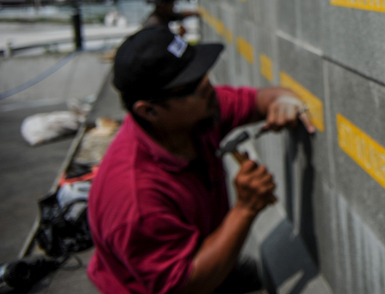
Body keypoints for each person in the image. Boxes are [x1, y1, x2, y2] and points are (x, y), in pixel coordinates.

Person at [87, 27, 314, 294]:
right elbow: (184, 285)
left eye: (202, 74)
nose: (207, 85)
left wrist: (282, 101)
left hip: (203, 265)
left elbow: (258, 99)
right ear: (150, 111)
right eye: (192, 85)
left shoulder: (197, 116)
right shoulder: (135, 197)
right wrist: (245, 208)